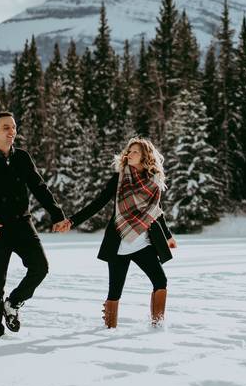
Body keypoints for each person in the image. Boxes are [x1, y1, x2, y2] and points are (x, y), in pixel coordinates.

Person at [54, 137, 177, 328]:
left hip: (143, 242)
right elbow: (98, 203)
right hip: (119, 242)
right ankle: (109, 330)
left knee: (160, 281)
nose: (129, 154)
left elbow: (156, 211)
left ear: (145, 156)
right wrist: (72, 221)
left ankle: (157, 325)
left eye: (135, 151)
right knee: (115, 291)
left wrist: (168, 236)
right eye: (129, 150)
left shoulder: (152, 182)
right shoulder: (119, 179)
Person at [0, 111, 67, 338]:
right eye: (6, 128)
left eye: (13, 127)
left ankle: (13, 303)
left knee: (40, 267)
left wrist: (57, 215)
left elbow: (39, 188)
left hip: (22, 225)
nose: (12, 132)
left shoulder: (22, 157)